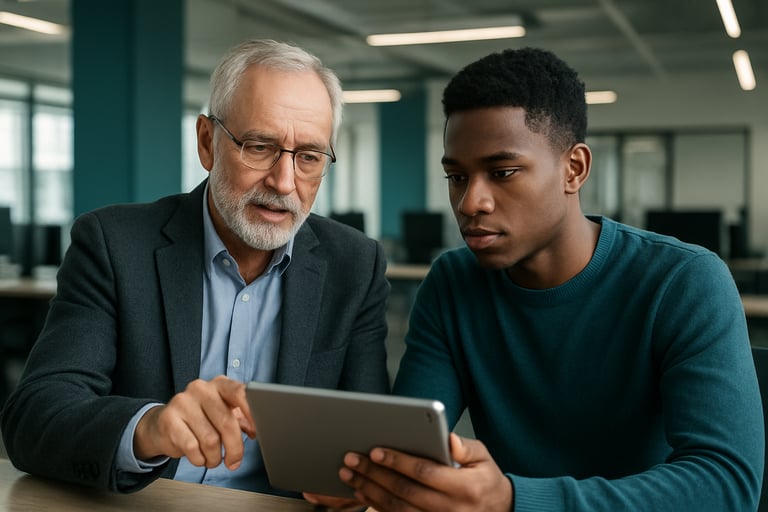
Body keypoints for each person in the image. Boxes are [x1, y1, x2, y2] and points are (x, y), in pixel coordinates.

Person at [306, 47, 764, 511]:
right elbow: (411, 447)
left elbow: (726, 485)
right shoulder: (452, 282)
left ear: (574, 169)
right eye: (457, 177)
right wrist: (372, 477)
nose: (470, 203)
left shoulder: (685, 282)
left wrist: (513, 501)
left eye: (502, 172)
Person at [0, 39, 390, 497]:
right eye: (259, 146)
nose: (285, 182)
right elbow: (33, 418)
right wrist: (150, 427)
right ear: (208, 142)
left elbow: (370, 440)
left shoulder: (355, 265)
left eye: (308, 157)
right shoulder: (114, 245)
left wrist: (357, 486)